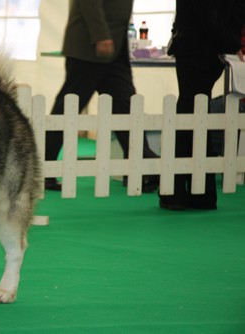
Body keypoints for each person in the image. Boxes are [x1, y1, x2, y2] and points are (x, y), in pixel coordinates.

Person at [45, 0, 160, 193]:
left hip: (115, 51)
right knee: (68, 109)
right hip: (89, 48)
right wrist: (101, 35)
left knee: (128, 107)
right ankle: (44, 169)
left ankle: (141, 168)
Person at [159, 0, 245, 210]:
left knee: (188, 116)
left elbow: (207, 15)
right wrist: (234, 44)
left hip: (196, 47)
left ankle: (177, 193)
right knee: (197, 115)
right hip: (214, 49)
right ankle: (202, 193)